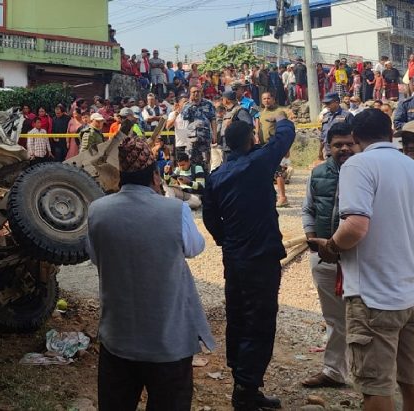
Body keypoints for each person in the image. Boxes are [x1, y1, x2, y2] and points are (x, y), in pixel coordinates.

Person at [86, 136, 214, 411]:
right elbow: (195, 248)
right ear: (155, 175)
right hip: (168, 342)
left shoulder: (98, 211)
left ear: (121, 175)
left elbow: (97, 258)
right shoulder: (175, 209)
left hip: (118, 339)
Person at [310, 109, 414, 411]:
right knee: (413, 381)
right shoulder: (413, 167)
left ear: (356, 138)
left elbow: (356, 226)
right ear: (391, 134)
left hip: (375, 297)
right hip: (412, 292)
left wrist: (331, 246)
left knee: (376, 388)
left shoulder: (358, 165)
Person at [203, 115, 296, 411]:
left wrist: (225, 240)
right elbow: (285, 136)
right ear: (250, 140)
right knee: (260, 319)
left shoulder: (215, 176)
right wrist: (282, 118)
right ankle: (245, 389)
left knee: (239, 314)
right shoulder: (259, 162)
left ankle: (244, 382)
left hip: (234, 257)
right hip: (261, 257)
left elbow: (209, 218)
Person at [299, 121, 357, 389]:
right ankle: (334, 372)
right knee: (334, 317)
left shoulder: (367, 174)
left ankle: (370, 373)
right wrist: (312, 239)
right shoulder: (318, 173)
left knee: (365, 316)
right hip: (323, 258)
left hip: (360, 258)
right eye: (338, 145)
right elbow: (308, 209)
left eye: (349, 143)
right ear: (328, 147)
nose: (344, 148)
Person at [256, 92, 294, 207]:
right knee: (266, 173)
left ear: (273, 99)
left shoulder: (279, 112)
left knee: (278, 172)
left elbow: (284, 131)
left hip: (276, 146)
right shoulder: (261, 113)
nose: (266, 100)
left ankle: (283, 197)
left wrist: (286, 148)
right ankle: (270, 196)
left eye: (268, 98)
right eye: (264, 99)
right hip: (263, 146)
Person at [181, 86, 218, 169]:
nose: (196, 94)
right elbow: (184, 116)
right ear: (190, 94)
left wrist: (214, 135)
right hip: (192, 138)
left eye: (198, 91)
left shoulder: (208, 104)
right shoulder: (187, 105)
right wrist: (191, 103)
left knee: (205, 161)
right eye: (193, 92)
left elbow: (213, 119)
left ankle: (206, 179)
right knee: (191, 160)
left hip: (205, 138)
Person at [219, 91, 254, 163]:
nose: (222, 101)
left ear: (226, 100)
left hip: (235, 148)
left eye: (223, 99)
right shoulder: (229, 111)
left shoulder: (240, 111)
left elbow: (248, 126)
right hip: (226, 146)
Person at [320, 92, 354, 159]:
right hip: (328, 152)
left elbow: (353, 134)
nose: (326, 106)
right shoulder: (326, 116)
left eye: (328, 103)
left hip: (342, 152)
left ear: (337, 102)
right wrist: (320, 151)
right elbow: (323, 135)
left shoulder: (347, 115)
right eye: (325, 104)